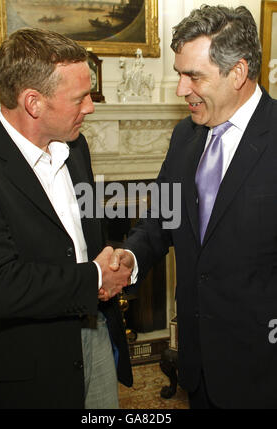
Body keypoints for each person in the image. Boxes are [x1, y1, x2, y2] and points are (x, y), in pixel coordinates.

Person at [105, 5, 277, 408]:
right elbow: (162, 218)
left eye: (192, 76)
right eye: (179, 74)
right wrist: (131, 256)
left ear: (237, 72)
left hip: (265, 368)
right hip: (198, 366)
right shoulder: (185, 135)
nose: (181, 89)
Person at [0, 28, 132, 409]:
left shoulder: (75, 147)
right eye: (80, 98)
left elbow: (84, 236)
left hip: (94, 337)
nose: (91, 107)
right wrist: (94, 277)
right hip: (30, 365)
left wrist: (115, 259)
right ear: (33, 103)